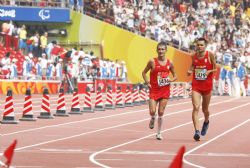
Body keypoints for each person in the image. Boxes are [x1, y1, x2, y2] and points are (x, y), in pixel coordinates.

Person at [142, 41, 177, 140]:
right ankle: (153, 118)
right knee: (153, 111)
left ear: (166, 50)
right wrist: (147, 82)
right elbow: (144, 73)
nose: (161, 51)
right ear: (156, 50)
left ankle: (159, 133)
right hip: (154, 90)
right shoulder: (152, 62)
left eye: (163, 49)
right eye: (159, 49)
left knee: (161, 112)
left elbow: (175, 76)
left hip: (165, 90)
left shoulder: (170, 63)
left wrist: (170, 79)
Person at [187, 37, 217, 141]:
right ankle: (197, 131)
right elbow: (192, 66)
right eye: (198, 45)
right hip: (196, 85)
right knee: (196, 107)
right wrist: (189, 71)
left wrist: (209, 72)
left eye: (201, 45)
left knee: (205, 110)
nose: (199, 46)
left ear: (205, 46)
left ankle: (206, 121)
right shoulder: (193, 56)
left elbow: (215, 68)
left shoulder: (210, 55)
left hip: (207, 86)